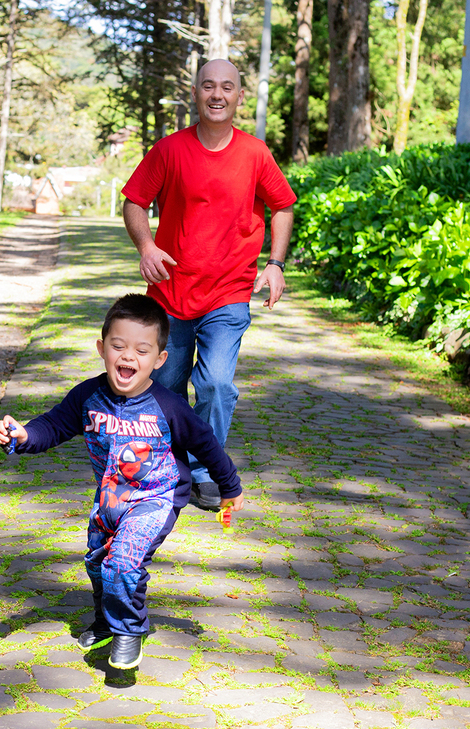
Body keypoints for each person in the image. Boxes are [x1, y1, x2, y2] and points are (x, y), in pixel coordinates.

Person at [0, 294, 243, 670]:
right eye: (118, 346)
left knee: (123, 561)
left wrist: (230, 487)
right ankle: (107, 621)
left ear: (159, 360)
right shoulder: (88, 396)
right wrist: (24, 436)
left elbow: (205, 444)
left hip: (155, 498)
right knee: (97, 562)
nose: (128, 357)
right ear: (102, 348)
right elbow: (55, 425)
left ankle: (129, 629)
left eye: (142, 350)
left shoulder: (168, 406)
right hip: (110, 497)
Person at [121, 58, 297, 512]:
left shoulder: (256, 154)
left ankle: (203, 473)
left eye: (227, 87)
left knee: (217, 384)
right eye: (208, 86)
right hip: (171, 294)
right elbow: (135, 201)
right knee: (167, 385)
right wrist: (146, 247)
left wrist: (275, 263)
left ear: (240, 96)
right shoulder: (169, 150)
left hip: (229, 294)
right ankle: (173, 467)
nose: (217, 95)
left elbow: (282, 206)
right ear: (195, 93)